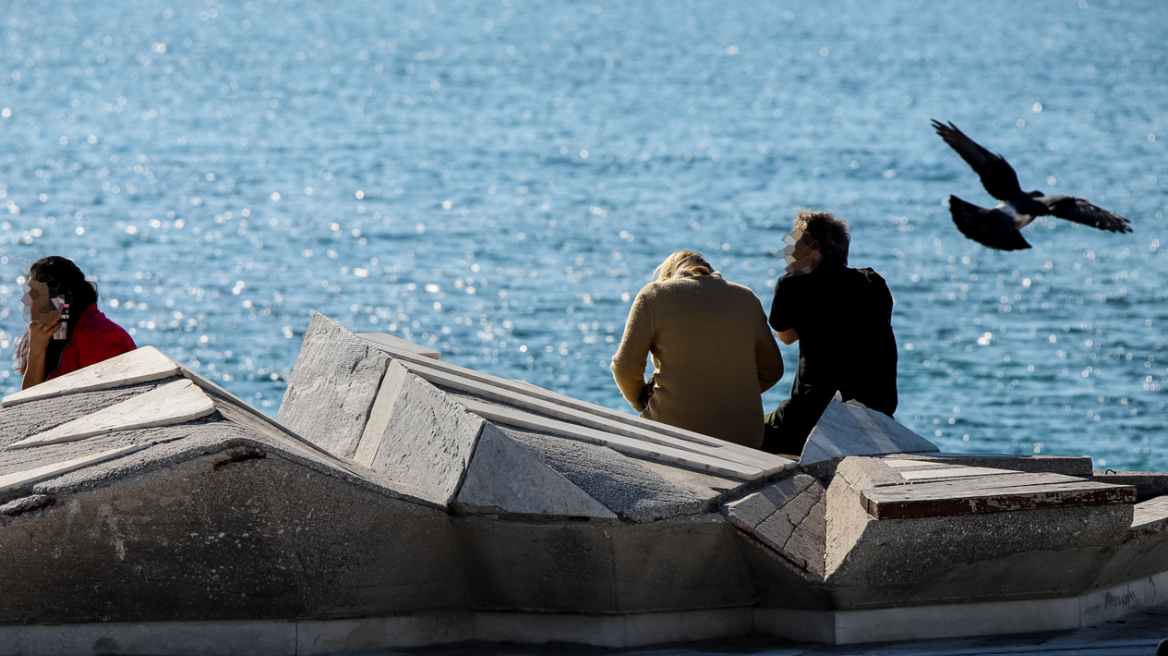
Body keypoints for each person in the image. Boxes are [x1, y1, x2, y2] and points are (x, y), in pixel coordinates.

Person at [611, 250, 784, 448]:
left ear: (668, 276)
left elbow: (624, 368)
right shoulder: (746, 298)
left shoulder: (654, 296)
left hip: (674, 433)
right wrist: (726, 394)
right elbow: (773, 370)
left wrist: (641, 402)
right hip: (745, 439)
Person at [762, 210, 898, 456]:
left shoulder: (792, 284)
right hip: (878, 423)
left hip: (811, 425)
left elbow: (786, 336)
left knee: (739, 430)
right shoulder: (873, 283)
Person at [14, 256, 136, 389]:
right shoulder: (58, 337)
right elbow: (27, 405)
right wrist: (36, 351)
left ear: (66, 299)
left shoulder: (98, 337)